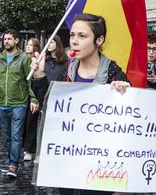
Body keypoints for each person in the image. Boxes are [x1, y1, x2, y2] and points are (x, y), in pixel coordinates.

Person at [31, 13, 130, 195]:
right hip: (68, 163)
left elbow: (127, 128)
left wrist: (124, 93)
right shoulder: (66, 72)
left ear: (99, 40)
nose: (74, 41)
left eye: (82, 36)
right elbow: (51, 107)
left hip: (100, 168)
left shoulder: (115, 75)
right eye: (72, 35)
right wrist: (39, 76)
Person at [0, 29, 39, 178]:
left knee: (16, 135)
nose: (6, 42)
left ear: (16, 41)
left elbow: (29, 80)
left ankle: (13, 166)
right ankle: (11, 161)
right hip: (3, 103)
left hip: (19, 103)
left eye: (9, 39)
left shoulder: (24, 58)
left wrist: (33, 99)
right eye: (5, 39)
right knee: (8, 137)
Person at [23, 35, 68, 161]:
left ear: (58, 44)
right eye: (47, 42)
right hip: (40, 94)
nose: (49, 44)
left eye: (52, 42)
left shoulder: (65, 62)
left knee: (48, 125)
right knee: (32, 122)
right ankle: (30, 150)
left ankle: (45, 151)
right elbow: (35, 78)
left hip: (57, 97)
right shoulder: (43, 60)